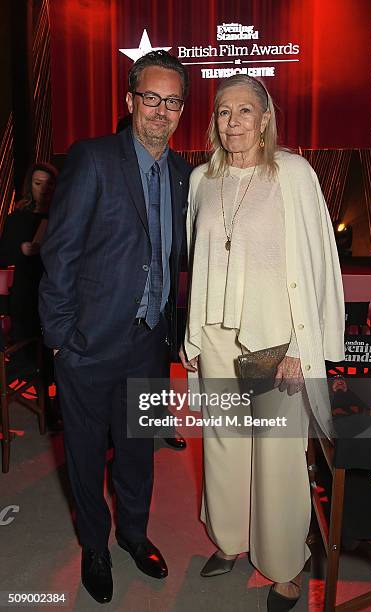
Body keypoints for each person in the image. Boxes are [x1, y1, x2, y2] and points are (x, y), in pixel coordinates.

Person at [179, 75, 345, 611]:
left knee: (277, 455)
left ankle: (283, 565)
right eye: (224, 112)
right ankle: (230, 539)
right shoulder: (202, 178)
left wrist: (304, 342)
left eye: (245, 111)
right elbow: (196, 258)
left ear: (265, 118)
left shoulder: (292, 174)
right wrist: (196, 334)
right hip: (217, 335)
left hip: (275, 340)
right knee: (224, 445)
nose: (233, 123)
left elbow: (317, 260)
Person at [39, 50, 191, 604]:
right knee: (83, 450)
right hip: (88, 343)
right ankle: (95, 545)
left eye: (172, 101)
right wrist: (60, 339)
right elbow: (59, 254)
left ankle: (132, 532)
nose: (160, 111)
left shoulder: (181, 175)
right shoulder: (94, 158)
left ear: (181, 111)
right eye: (150, 98)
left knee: (136, 450)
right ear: (129, 102)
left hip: (149, 343)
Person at [0, 163, 57, 344]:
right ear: (29, 186)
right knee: (25, 344)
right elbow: (2, 256)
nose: (44, 189)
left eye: (49, 184)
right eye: (38, 183)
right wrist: (21, 249)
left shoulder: (62, 215)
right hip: (26, 290)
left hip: (56, 289)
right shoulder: (17, 218)